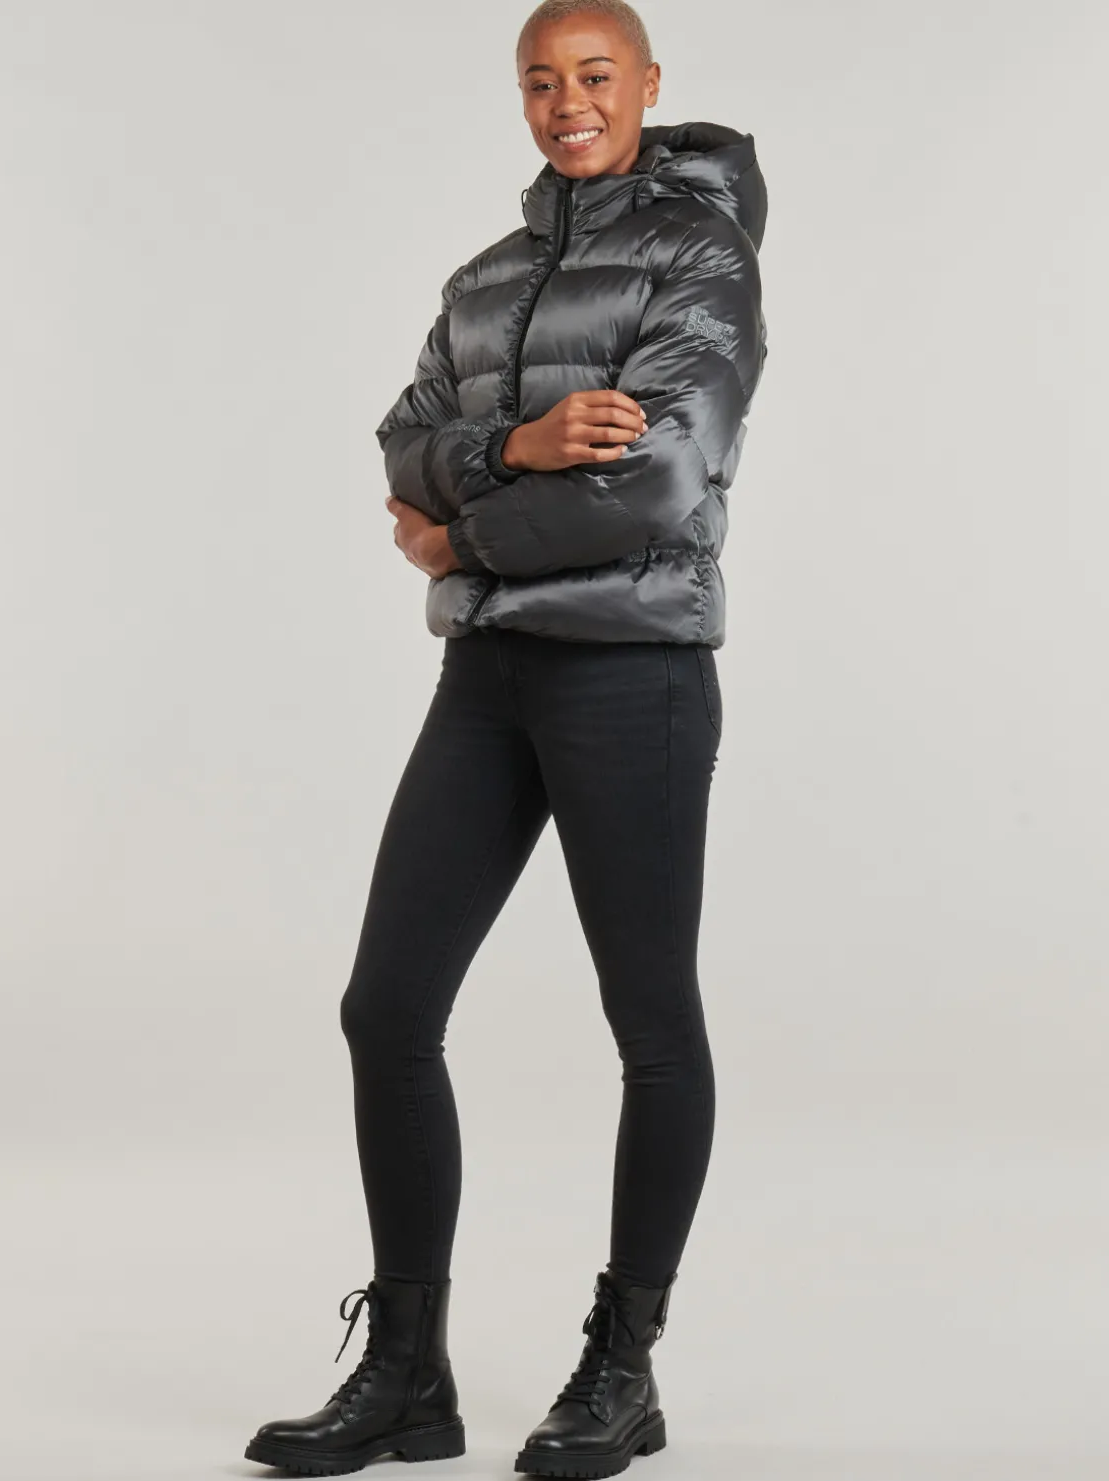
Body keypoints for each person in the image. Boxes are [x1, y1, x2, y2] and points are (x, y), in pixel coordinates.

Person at [244, 0, 767, 1475]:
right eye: (541, 80)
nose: (567, 101)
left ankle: (622, 1367)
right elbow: (400, 441)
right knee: (386, 1008)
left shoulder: (701, 257)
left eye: (595, 75)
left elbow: (656, 483)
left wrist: (460, 533)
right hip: (488, 680)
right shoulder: (484, 281)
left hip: (634, 676)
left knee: (649, 1025)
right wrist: (516, 445)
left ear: (648, 84)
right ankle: (409, 1374)